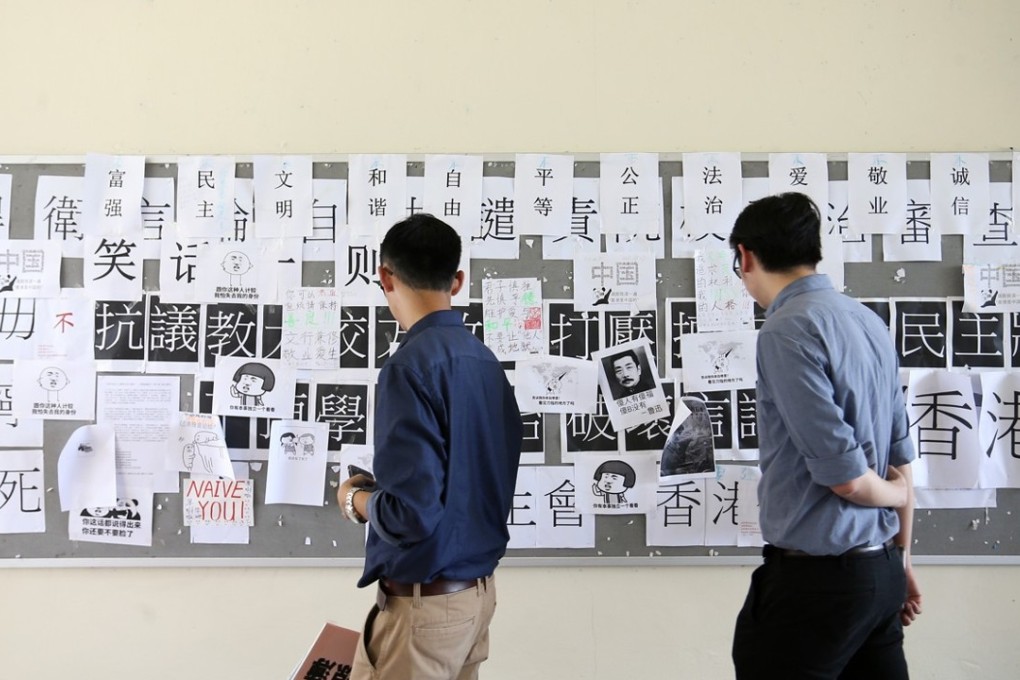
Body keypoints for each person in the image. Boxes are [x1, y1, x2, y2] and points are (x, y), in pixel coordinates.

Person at [729, 192, 922, 679]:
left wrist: (894, 494)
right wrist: (901, 560)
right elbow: (900, 458)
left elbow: (848, 479)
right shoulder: (868, 321)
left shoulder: (787, 329)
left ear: (746, 256)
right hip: (879, 571)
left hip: (817, 583)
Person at [336, 213, 523, 680]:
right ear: (457, 281)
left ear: (385, 276)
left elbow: (411, 513)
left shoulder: (408, 367)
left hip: (425, 611)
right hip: (476, 598)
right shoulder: (485, 362)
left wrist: (355, 499)